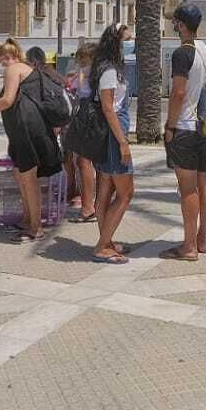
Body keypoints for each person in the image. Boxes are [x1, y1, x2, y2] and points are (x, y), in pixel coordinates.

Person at [0, 38, 60, 242]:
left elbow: (7, 100)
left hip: (27, 130)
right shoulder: (28, 68)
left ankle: (36, 228)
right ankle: (27, 219)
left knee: (28, 179)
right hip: (27, 129)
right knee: (21, 175)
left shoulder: (14, 69)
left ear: (7, 56)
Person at [161, 5, 206, 262]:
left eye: (175, 22)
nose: (174, 26)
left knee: (187, 189)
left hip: (185, 127)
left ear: (182, 25)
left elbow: (179, 93)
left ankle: (188, 247)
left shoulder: (182, 54)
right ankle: (203, 240)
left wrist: (169, 127)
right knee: (205, 181)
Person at [89, 25, 135, 264]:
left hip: (109, 135)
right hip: (112, 136)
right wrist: (123, 142)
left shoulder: (109, 69)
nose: (131, 42)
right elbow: (109, 108)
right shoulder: (109, 71)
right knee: (126, 193)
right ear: (116, 42)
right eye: (127, 38)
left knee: (106, 190)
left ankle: (106, 241)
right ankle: (101, 246)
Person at [65, 43, 99, 222]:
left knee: (83, 161)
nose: (81, 63)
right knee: (86, 162)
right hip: (89, 114)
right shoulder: (96, 72)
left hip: (87, 116)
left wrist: (76, 73)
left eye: (83, 60)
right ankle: (93, 205)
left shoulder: (89, 73)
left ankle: (88, 208)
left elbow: (70, 84)